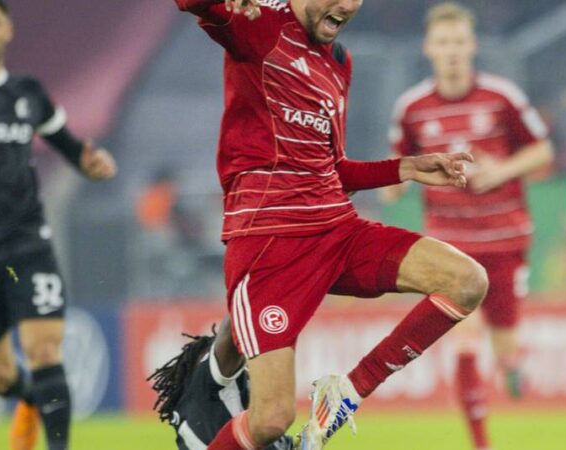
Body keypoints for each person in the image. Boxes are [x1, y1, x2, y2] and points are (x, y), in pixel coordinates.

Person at [164, 0, 490, 449]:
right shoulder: (258, 24)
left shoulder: (338, 62)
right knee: (272, 420)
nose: (348, 5)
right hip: (269, 243)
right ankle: (216, 373)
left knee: (468, 281)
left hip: (338, 229)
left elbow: (331, 168)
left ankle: (344, 395)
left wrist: (407, 168)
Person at [0, 1, 117, 449]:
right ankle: (31, 398)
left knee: (46, 351)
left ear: (7, 31)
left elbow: (71, 147)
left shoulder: (28, 92)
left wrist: (90, 164)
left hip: (26, 241)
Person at [381, 4, 553, 450]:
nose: (452, 51)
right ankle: (480, 443)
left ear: (472, 46)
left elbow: (542, 152)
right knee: (463, 341)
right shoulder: (412, 108)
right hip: (450, 245)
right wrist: (394, 185)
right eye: (444, 43)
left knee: (503, 346)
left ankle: (514, 363)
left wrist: (500, 171)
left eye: (459, 42)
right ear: (429, 48)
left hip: (504, 239)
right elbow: (398, 169)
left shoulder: (502, 97)